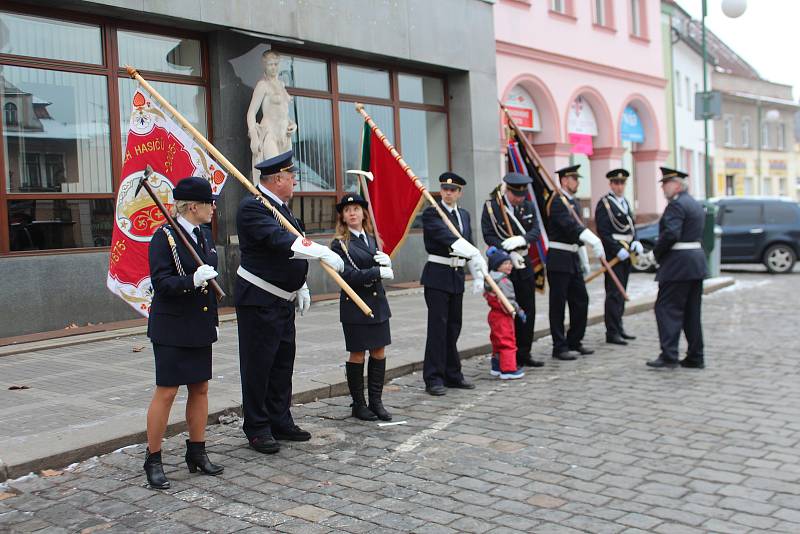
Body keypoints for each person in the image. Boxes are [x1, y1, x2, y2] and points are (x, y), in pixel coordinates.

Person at [235, 149, 345, 454]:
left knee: (282, 364)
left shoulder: (281, 208)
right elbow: (278, 240)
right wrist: (321, 250)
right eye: (291, 176)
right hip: (259, 299)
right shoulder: (253, 207)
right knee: (259, 366)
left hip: (282, 300)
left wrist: (302, 283)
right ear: (278, 179)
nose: (295, 181)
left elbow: (290, 252)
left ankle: (279, 419)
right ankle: (257, 427)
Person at [144, 176, 224, 490]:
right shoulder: (164, 237)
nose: (214, 208)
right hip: (172, 326)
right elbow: (161, 283)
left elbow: (209, 285)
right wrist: (192, 280)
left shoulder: (203, 236)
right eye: (209, 203)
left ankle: (197, 451)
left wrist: (213, 319)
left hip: (199, 324)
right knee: (167, 391)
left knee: (200, 389)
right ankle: (153, 458)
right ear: (193, 206)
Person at [421, 172, 488, 396]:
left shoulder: (464, 215)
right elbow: (446, 238)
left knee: (453, 328)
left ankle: (452, 373)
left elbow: (467, 242)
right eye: (444, 189)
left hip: (456, 275)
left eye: (453, 190)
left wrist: (477, 273)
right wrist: (474, 253)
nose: (448, 192)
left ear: (459, 193)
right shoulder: (432, 212)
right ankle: (433, 377)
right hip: (438, 274)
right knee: (438, 329)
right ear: (441, 191)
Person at [330, 193, 394, 421]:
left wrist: (387, 261)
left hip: (377, 302)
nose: (353, 213)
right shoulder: (339, 245)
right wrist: (377, 271)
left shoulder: (373, 238)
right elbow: (346, 276)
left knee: (379, 351)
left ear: (364, 212)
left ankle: (376, 401)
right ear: (343, 217)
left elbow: (379, 265)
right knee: (357, 354)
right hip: (355, 305)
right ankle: (359, 403)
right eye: (348, 210)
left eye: (357, 208)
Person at [645, 167, 707, 369]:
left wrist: (655, 253)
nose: (663, 188)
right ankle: (695, 356)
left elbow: (671, 234)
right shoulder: (694, 204)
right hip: (695, 264)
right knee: (691, 312)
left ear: (677, 185)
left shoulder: (676, 205)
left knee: (666, 309)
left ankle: (669, 355)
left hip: (678, 265)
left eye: (666, 183)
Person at [481, 172, 543, 368]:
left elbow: (536, 230)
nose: (519, 199)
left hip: (523, 262)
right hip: (504, 265)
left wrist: (522, 240)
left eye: (522, 196)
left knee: (527, 307)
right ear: (507, 190)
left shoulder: (528, 206)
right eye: (516, 195)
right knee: (506, 309)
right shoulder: (492, 207)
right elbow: (488, 234)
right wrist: (504, 248)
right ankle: (509, 353)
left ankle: (525, 352)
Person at [546, 165, 604, 360]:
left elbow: (577, 232)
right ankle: (559, 346)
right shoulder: (556, 201)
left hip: (573, 258)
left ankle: (575, 340)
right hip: (559, 258)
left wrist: (584, 256)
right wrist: (593, 239)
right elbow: (570, 227)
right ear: (564, 181)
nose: (578, 182)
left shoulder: (575, 203)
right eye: (574, 178)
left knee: (581, 301)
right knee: (558, 304)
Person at [594, 169, 645, 345]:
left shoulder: (624, 202)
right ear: (611, 184)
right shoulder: (605, 204)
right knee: (614, 293)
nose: (620, 186)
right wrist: (616, 250)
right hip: (614, 255)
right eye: (616, 183)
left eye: (622, 183)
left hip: (627, 253)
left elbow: (631, 226)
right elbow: (603, 231)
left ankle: (619, 327)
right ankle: (612, 331)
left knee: (622, 292)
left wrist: (636, 241)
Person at [246, 50, 297, 181]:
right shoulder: (262, 85)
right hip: (270, 133)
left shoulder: (282, 85)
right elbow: (251, 112)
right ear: (264, 66)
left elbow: (284, 112)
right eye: (270, 64)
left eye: (276, 64)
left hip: (285, 135)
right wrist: (254, 136)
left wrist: (293, 125)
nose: (274, 67)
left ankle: (280, 202)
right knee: (274, 173)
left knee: (286, 175)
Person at [484, 247, 525, 380]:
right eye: (505, 264)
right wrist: (519, 311)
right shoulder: (504, 282)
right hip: (503, 316)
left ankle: (497, 365)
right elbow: (510, 300)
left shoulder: (491, 279)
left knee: (497, 341)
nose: (510, 266)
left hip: (494, 315)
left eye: (510, 263)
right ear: (497, 266)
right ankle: (508, 369)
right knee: (507, 341)